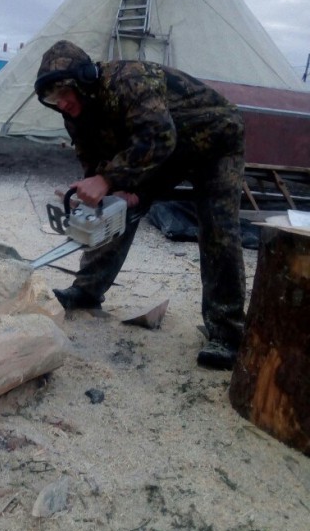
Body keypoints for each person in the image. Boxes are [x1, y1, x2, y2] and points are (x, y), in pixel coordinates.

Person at [34, 40, 246, 370]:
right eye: (51, 98)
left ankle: (227, 333)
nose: (60, 102)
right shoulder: (75, 114)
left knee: (218, 227)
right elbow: (93, 160)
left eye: (63, 91)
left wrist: (108, 179)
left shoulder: (125, 80)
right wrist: (106, 191)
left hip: (214, 138)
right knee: (114, 213)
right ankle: (87, 290)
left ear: (83, 79)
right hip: (165, 150)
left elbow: (160, 135)